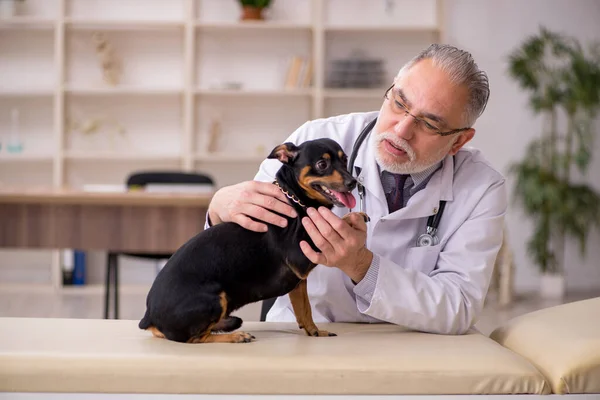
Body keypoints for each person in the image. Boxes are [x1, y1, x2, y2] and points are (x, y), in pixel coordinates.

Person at [205, 44, 507, 335]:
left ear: (459, 141)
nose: (401, 130)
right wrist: (219, 211)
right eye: (399, 103)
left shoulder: (481, 188)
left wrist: (361, 265)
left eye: (428, 124)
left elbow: (459, 306)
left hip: (414, 342)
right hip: (303, 336)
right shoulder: (317, 139)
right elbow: (246, 247)